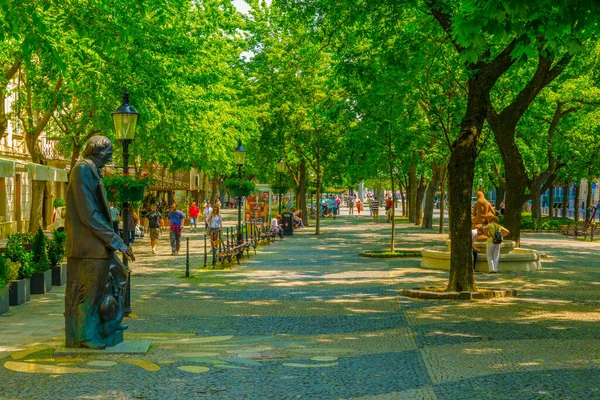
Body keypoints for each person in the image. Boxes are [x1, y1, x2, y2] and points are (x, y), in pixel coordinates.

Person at [64, 135, 133, 349]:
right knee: (90, 293)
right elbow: (89, 213)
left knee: (120, 275)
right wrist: (117, 241)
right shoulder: (82, 170)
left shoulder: (93, 171)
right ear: (96, 151)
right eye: (108, 152)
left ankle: (109, 324)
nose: (111, 156)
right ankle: (85, 335)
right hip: (88, 247)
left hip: (97, 244)